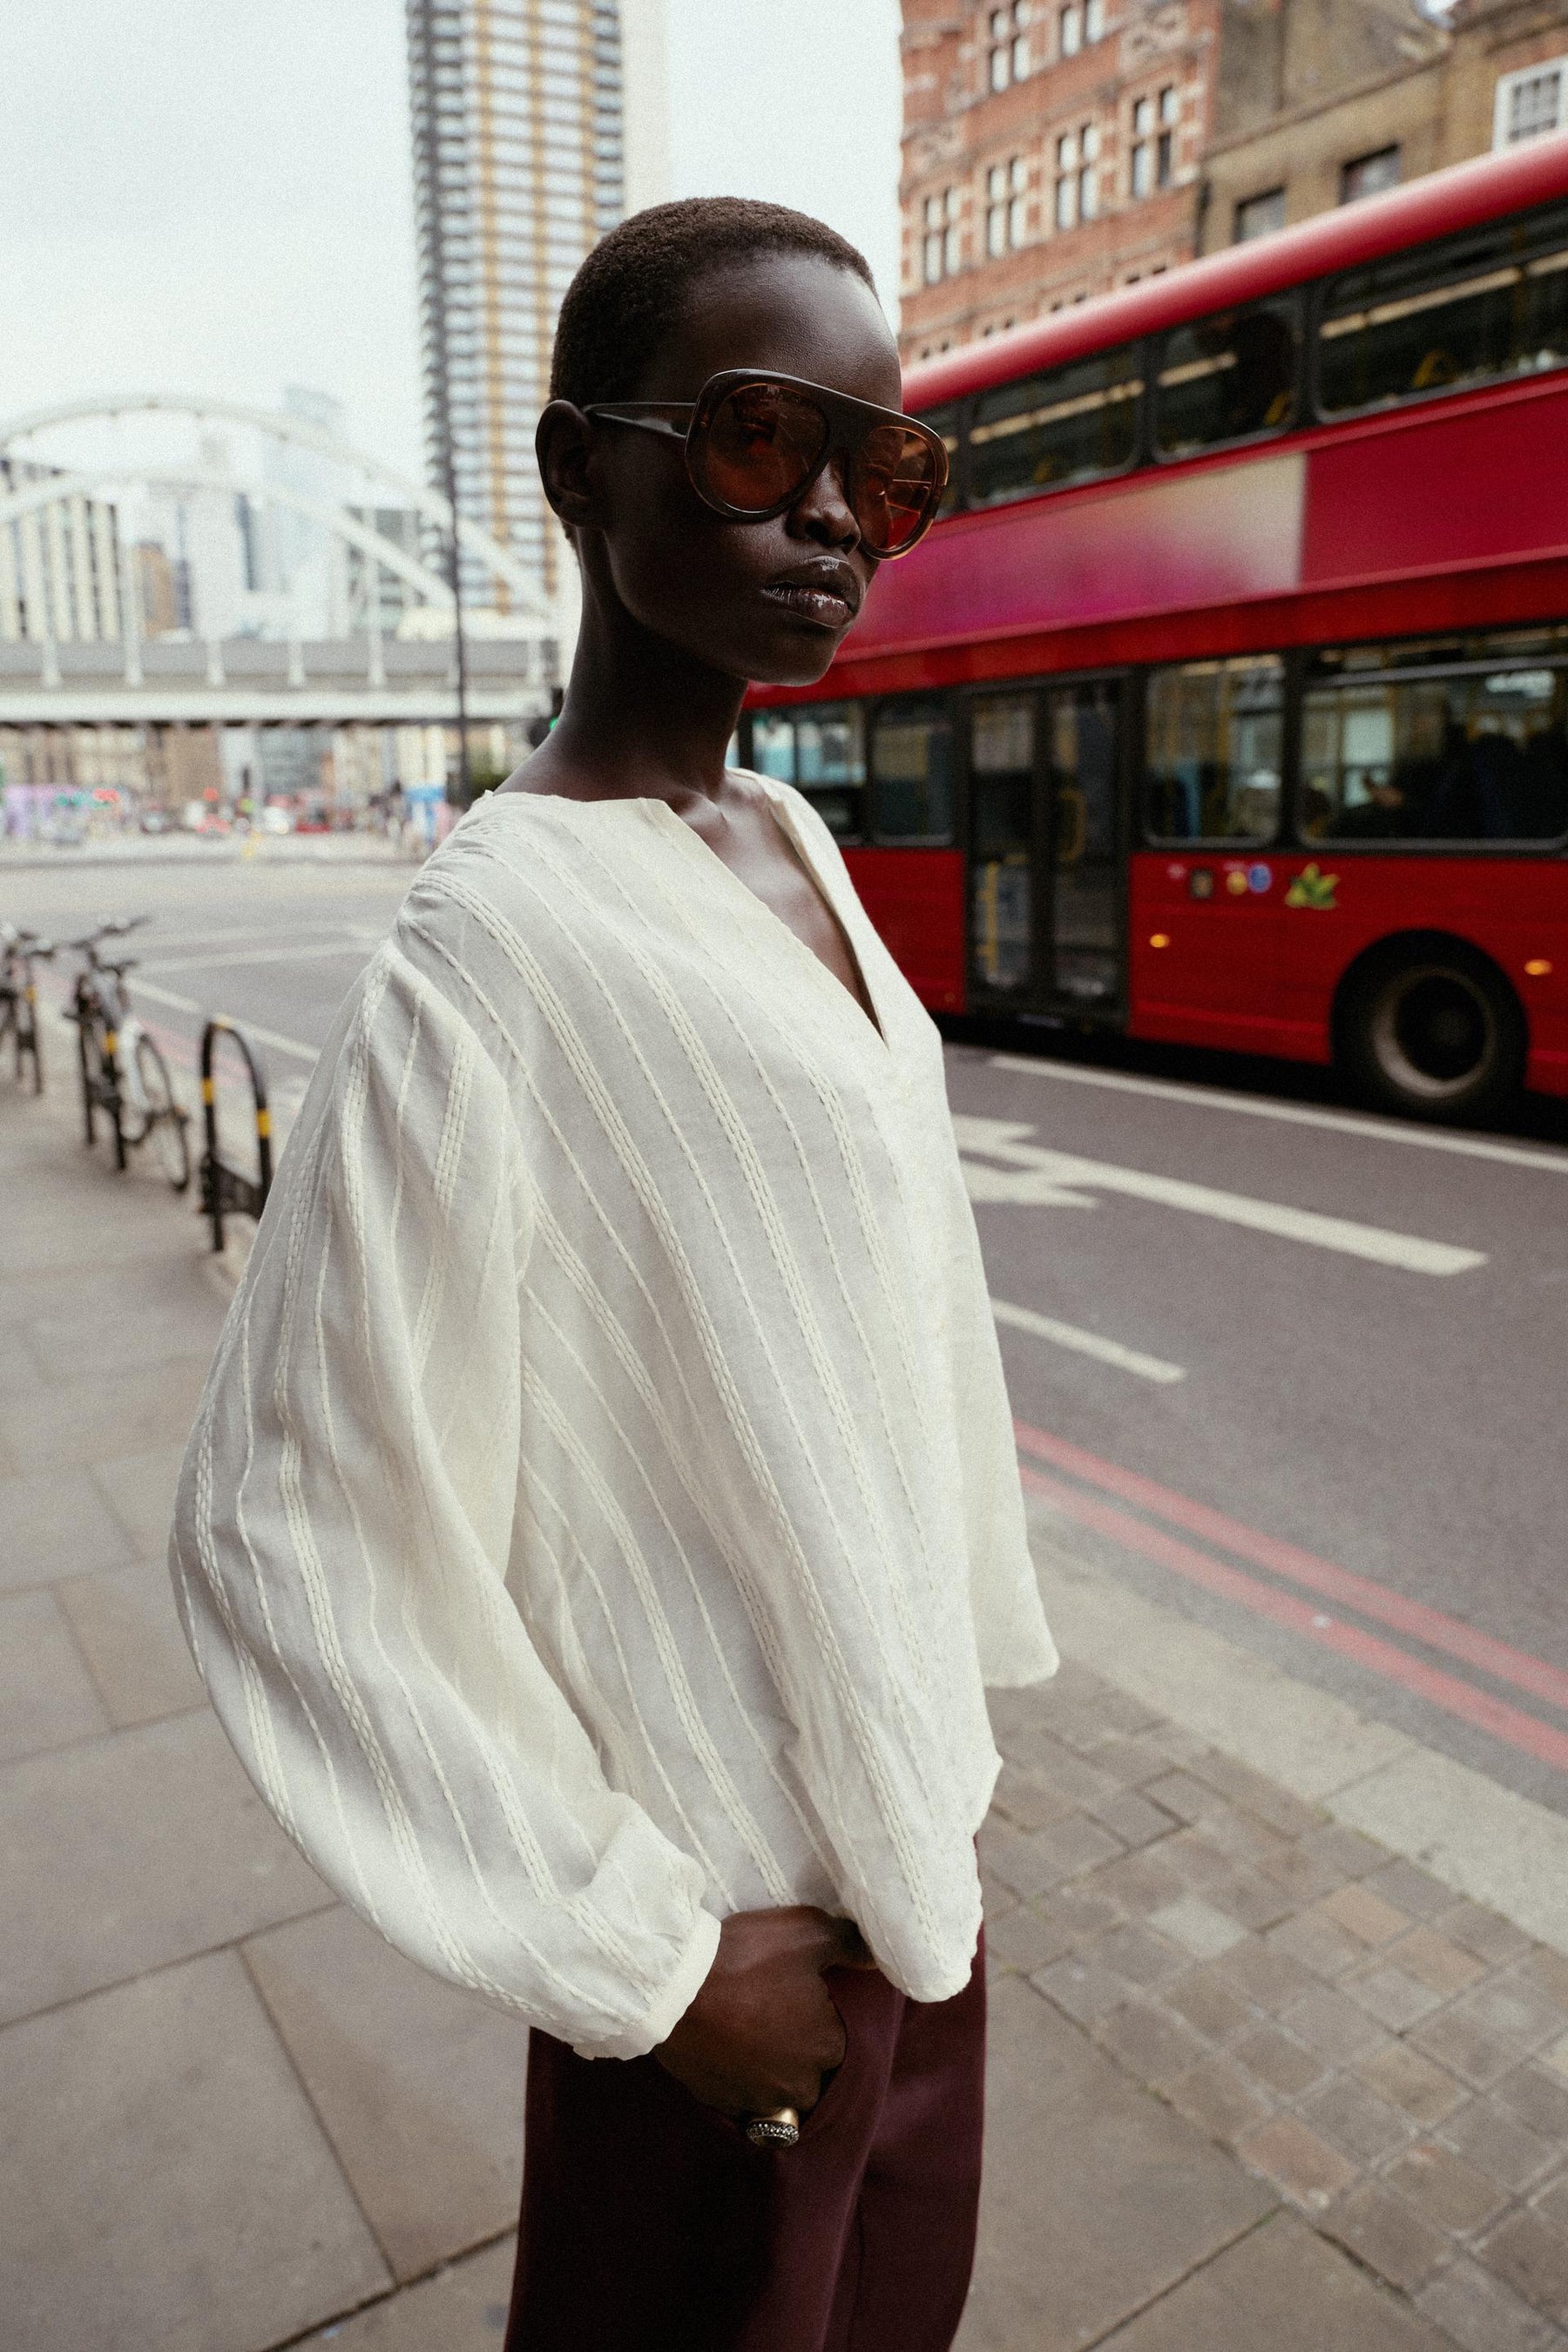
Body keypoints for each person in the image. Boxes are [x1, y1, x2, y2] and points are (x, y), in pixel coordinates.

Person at [170, 196, 1057, 2352]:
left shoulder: (795, 845)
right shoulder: (492, 945)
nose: (840, 517)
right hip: (734, 1965)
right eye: (766, 442)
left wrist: (945, 1749)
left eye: (895, 469)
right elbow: (289, 1527)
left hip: (906, 1897)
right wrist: (650, 1967)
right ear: (584, 469)